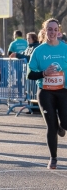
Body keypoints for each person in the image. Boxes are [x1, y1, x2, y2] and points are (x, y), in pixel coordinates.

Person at [28, 18, 67, 169]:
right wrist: (44, 73)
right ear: (45, 31)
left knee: (65, 122)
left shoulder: (65, 48)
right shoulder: (39, 51)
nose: (52, 32)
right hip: (45, 92)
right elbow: (30, 74)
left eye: (55, 29)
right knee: (51, 125)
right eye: (49, 29)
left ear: (59, 31)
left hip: (63, 91)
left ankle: (62, 126)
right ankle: (53, 158)